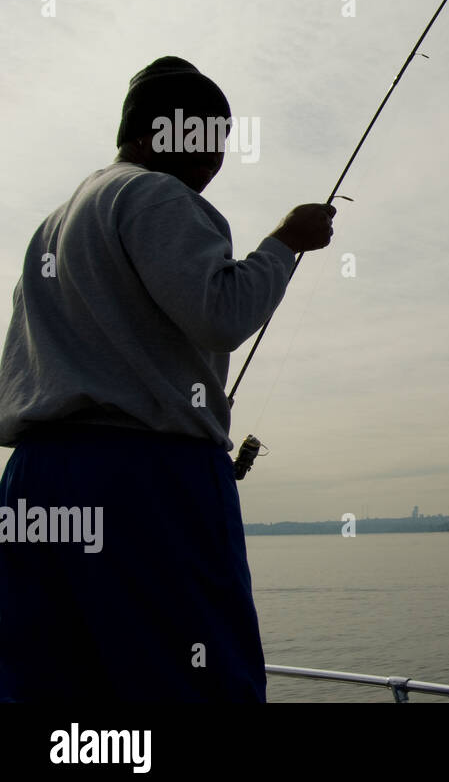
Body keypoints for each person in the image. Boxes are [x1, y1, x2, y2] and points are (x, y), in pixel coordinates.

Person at [0, 57, 336, 701]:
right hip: (142, 480)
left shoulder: (56, 222)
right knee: (195, 682)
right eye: (210, 140)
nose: (215, 163)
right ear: (169, 130)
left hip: (35, 483)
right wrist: (286, 243)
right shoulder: (153, 194)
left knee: (55, 684)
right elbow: (221, 313)